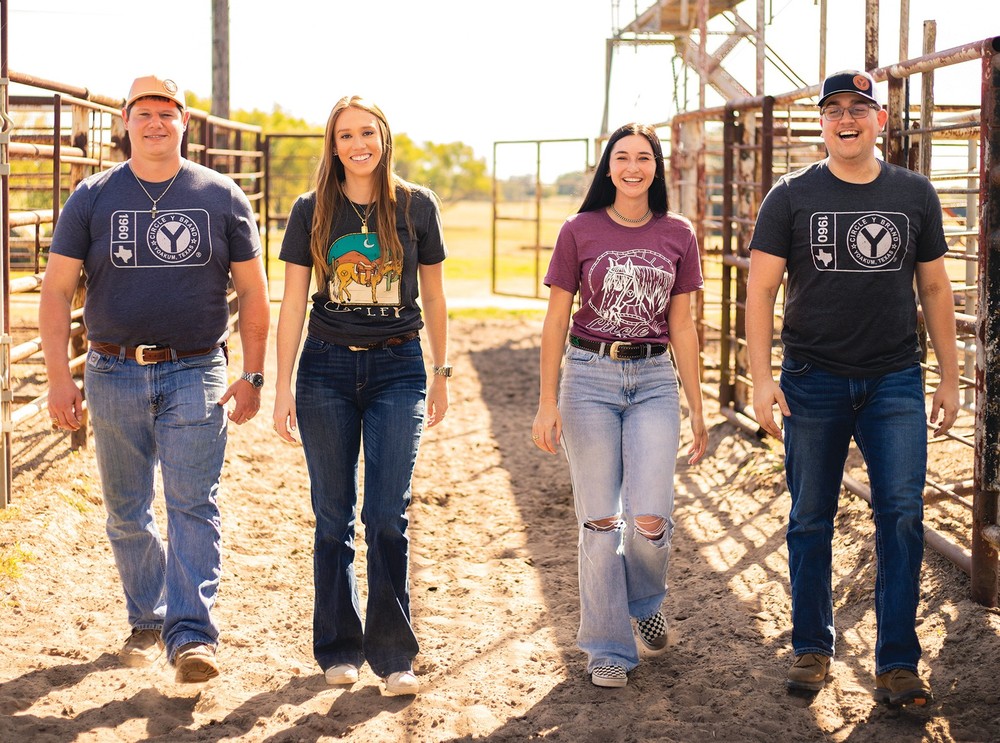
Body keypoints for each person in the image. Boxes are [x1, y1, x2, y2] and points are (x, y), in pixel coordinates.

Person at [39, 74, 270, 683]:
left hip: (197, 367)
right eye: (144, 113)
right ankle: (148, 617)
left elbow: (252, 291)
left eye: (167, 113)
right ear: (125, 121)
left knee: (192, 503)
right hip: (112, 369)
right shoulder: (92, 197)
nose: (155, 123)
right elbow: (58, 291)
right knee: (126, 509)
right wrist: (61, 379)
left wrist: (252, 373)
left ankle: (191, 635)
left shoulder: (221, 197)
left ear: (184, 122)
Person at [746, 69, 959, 706]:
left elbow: (936, 287)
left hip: (895, 379)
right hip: (813, 380)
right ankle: (812, 647)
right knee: (810, 518)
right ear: (822, 121)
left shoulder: (913, 193)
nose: (847, 118)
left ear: (881, 121)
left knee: (901, 518)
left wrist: (948, 375)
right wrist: (762, 381)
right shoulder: (789, 197)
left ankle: (897, 663)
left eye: (860, 109)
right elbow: (760, 290)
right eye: (835, 108)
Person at [273, 95, 449, 697]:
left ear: (384, 137)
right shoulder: (310, 210)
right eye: (345, 136)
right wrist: (282, 385)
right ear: (333, 144)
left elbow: (435, 296)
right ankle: (339, 648)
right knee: (332, 516)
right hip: (324, 371)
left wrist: (442, 371)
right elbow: (293, 301)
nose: (357, 145)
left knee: (387, 516)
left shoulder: (416, 206)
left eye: (366, 133)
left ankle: (394, 656)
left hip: (399, 368)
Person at [531, 122, 708, 688]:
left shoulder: (678, 233)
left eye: (645, 158)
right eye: (623, 157)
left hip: (655, 379)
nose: (634, 167)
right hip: (589, 378)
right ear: (608, 167)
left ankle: (645, 598)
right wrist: (545, 401)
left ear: (657, 168)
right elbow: (557, 319)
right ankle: (608, 646)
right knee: (601, 523)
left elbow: (682, 325)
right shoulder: (579, 230)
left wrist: (698, 407)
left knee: (651, 517)